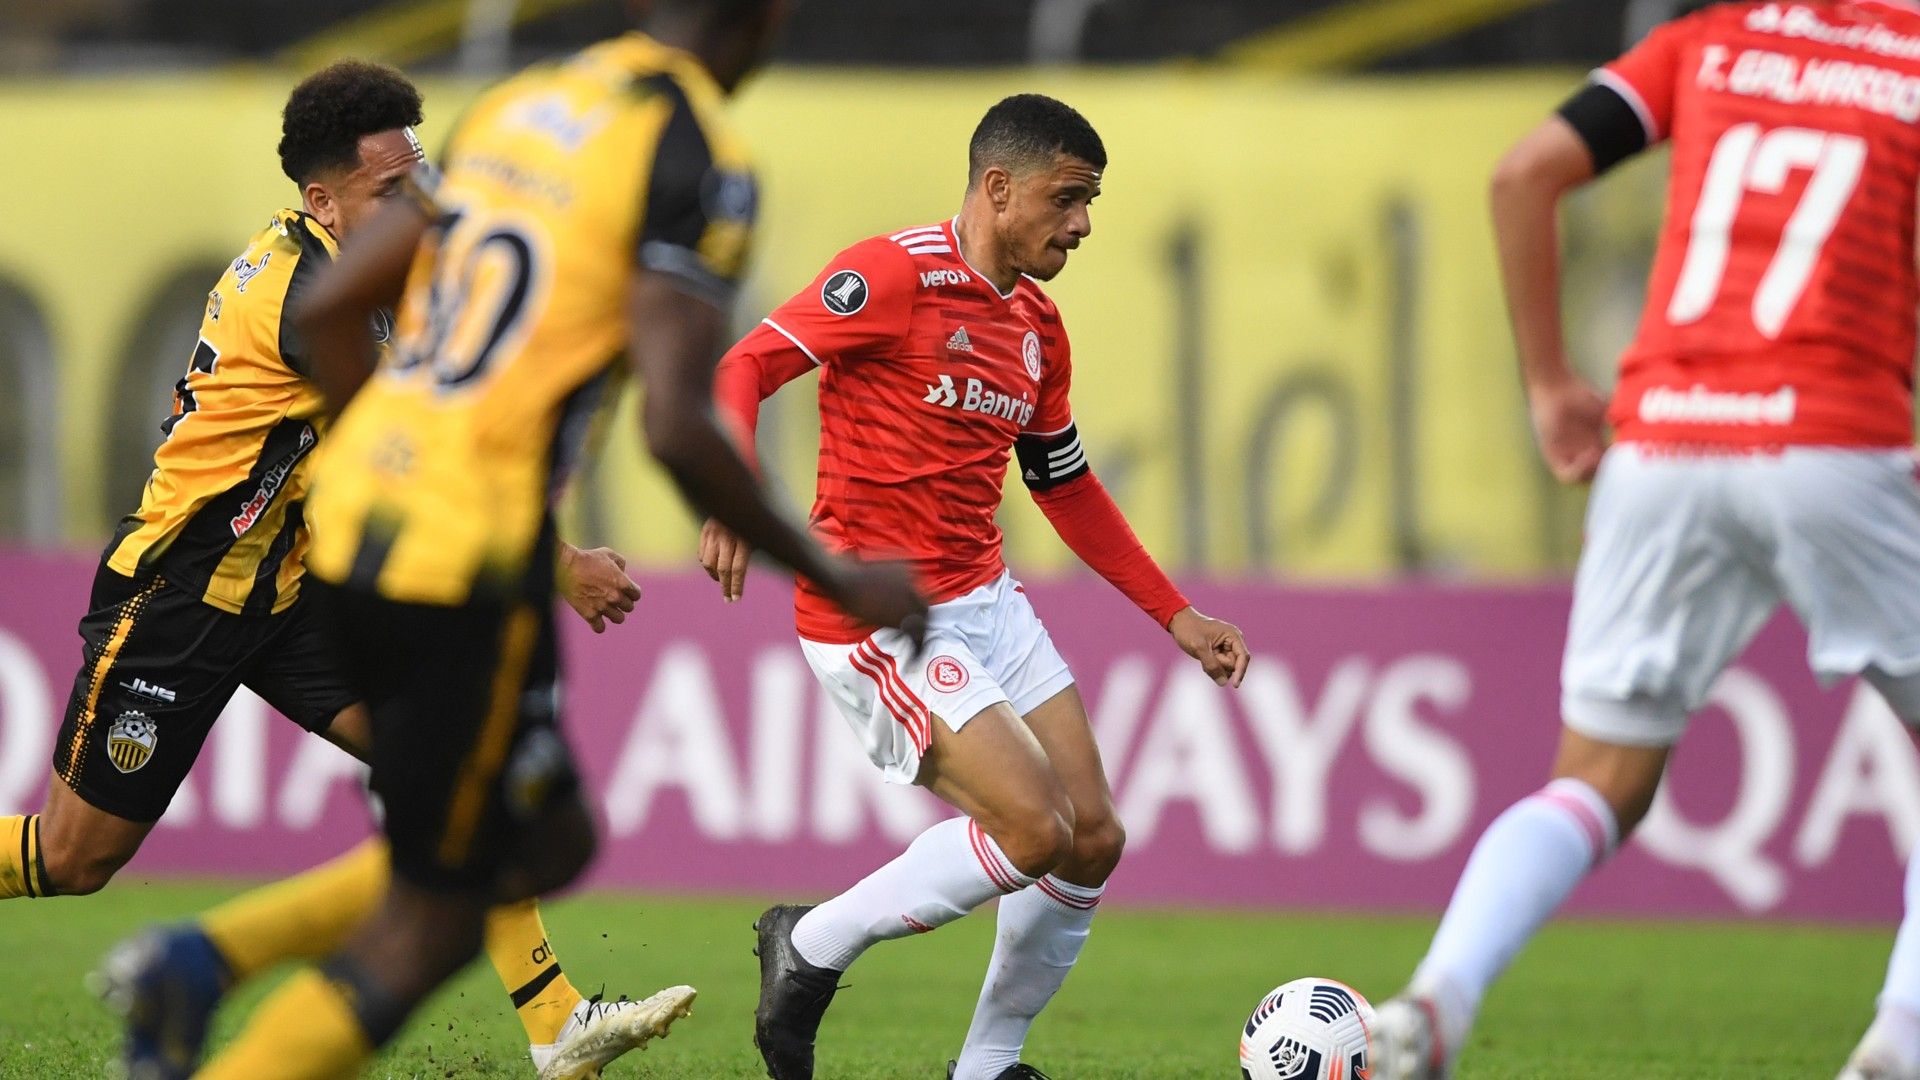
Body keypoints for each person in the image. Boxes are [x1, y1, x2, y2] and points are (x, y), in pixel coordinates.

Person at [177, 1, 926, 1077]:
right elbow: (675, 420)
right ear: (764, 21)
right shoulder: (701, 154)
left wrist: (395, 442)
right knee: (447, 891)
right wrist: (831, 571)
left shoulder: (519, 102)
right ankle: (201, 966)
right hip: (460, 550)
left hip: (351, 528)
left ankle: (214, 964)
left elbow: (336, 308)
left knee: (534, 841)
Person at [2, 60, 657, 1080]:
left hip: (290, 595)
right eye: (394, 192)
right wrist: (563, 562)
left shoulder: (361, 268)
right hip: (181, 594)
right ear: (323, 200)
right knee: (74, 858)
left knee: (454, 778)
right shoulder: (306, 294)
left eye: (422, 178)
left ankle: (556, 1019)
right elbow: (425, 443)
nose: (421, 205)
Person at [1367, 3, 1920, 1078]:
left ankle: (1437, 998)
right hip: (1832, 435)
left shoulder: (1706, 43)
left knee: (1599, 775)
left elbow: (1523, 173)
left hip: (1664, 442)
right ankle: (1899, 1046)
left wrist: (1549, 383)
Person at [703, 93, 1251, 1080]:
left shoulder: (1038, 325)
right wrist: (732, 496)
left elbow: (1065, 485)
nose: (1082, 223)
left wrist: (1176, 614)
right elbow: (744, 368)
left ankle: (986, 1069)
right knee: (1033, 828)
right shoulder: (892, 273)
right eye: (1067, 198)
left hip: (985, 600)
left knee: (1091, 839)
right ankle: (812, 942)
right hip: (878, 611)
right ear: (1000, 190)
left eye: (1090, 202)